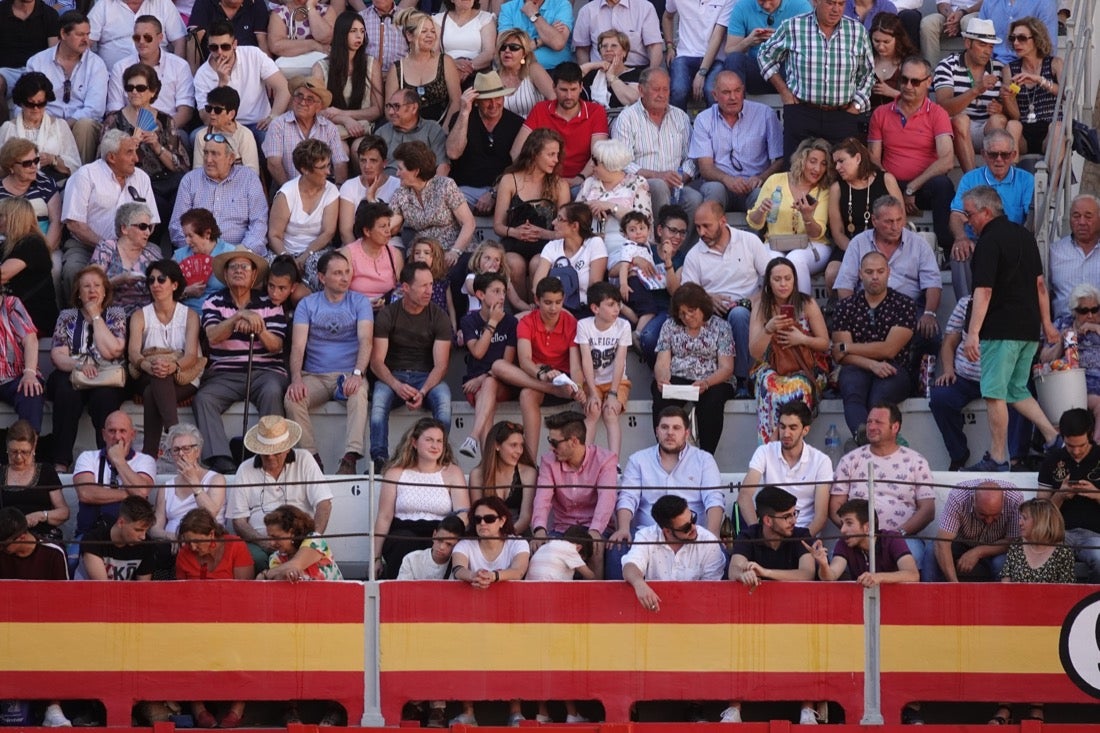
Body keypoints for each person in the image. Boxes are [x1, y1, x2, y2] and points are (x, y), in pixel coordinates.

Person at [962, 185, 1060, 471]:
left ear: (986, 212)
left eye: (970, 215)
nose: (967, 221)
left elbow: (984, 291)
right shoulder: (1025, 237)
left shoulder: (989, 242)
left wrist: (973, 333)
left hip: (1000, 329)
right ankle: (1053, 438)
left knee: (994, 392)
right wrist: (1046, 324)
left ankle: (997, 457)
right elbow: (1040, 285)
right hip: (1028, 330)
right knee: (1016, 389)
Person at [193, 247, 289, 474]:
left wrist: (259, 327)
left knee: (273, 391)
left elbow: (276, 345)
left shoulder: (270, 302)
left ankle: (270, 453)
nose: (239, 271)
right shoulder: (213, 301)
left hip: (265, 372)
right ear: (225, 275)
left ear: (254, 275)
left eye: (245, 267)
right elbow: (213, 336)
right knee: (204, 398)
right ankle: (221, 458)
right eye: (233, 267)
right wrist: (239, 316)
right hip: (224, 374)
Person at [727, 484, 816, 724]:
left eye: (794, 514)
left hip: (797, 618)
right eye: (787, 516)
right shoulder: (748, 535)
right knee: (737, 641)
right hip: (756, 616)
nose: (793, 520)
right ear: (767, 520)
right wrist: (741, 575)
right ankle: (733, 706)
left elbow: (807, 574)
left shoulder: (801, 534)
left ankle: (808, 707)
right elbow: (734, 568)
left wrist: (764, 572)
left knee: (808, 643)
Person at [609, 405, 724, 581]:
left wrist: (713, 533)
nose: (670, 433)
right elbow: (627, 498)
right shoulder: (638, 460)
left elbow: (714, 499)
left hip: (691, 533)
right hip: (647, 536)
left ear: (686, 433)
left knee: (722, 552)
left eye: (676, 428)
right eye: (664, 427)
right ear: (657, 431)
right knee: (617, 550)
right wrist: (623, 528)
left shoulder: (704, 459)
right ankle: (618, 608)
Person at [284, 250, 374, 475]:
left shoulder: (359, 302)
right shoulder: (307, 305)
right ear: (322, 278)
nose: (345, 278)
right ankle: (312, 459)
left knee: (359, 394)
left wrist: (357, 373)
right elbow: (298, 346)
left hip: (348, 374)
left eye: (347, 272)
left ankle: (350, 457)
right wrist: (296, 379)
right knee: (292, 399)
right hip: (315, 375)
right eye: (337, 273)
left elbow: (366, 341)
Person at [830, 403, 936, 577]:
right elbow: (835, 505)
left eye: (878, 422)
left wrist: (898, 534)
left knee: (914, 555)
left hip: (901, 538)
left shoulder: (915, 461)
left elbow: (928, 510)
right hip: (858, 537)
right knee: (833, 561)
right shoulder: (850, 460)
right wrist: (853, 530)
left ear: (895, 427)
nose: (871, 427)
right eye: (869, 421)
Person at [757, 0, 874, 159]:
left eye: (841, 4)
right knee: (795, 173)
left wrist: (856, 105)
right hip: (802, 112)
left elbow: (868, 73)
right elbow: (764, 55)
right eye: (830, 3)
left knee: (841, 177)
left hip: (842, 115)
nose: (836, 9)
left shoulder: (857, 31)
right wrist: (784, 92)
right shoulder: (793, 27)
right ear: (816, 2)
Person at [681, 199, 774, 397]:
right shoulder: (694, 254)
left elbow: (770, 277)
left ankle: (743, 380)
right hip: (710, 313)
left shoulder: (749, 241)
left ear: (722, 221)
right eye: (697, 227)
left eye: (707, 226)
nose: (701, 233)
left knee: (739, 315)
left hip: (749, 307)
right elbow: (687, 294)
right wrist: (706, 298)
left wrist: (755, 299)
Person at [929, 296, 1033, 470]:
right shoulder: (966, 303)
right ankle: (958, 454)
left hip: (1002, 379)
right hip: (965, 378)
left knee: (1021, 394)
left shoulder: (1016, 305)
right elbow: (949, 342)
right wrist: (948, 370)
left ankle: (1017, 459)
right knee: (940, 397)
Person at [369, 261, 454, 472]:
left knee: (444, 401)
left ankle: (440, 456)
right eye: (423, 286)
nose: (430, 291)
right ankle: (379, 459)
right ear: (405, 288)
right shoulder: (388, 314)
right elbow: (376, 362)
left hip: (427, 377)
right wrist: (397, 386)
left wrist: (423, 391)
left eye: (431, 285)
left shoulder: (439, 316)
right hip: (393, 376)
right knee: (379, 401)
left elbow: (441, 366)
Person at [868, 55, 955, 259]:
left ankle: (947, 249)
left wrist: (911, 188)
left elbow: (947, 160)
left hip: (923, 186)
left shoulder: (937, 113)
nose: (908, 86)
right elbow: (873, 160)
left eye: (915, 81)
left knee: (943, 185)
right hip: (890, 184)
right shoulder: (881, 113)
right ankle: (875, 250)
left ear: (928, 82)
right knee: (871, 183)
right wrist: (896, 190)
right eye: (904, 80)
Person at [489, 276, 584, 458]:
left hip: (561, 381)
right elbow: (525, 361)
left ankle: (529, 458)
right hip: (536, 376)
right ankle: (531, 459)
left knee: (526, 392)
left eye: (558, 302)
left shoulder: (570, 323)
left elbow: (576, 366)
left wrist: (577, 387)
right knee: (499, 366)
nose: (553, 308)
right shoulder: (527, 321)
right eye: (548, 302)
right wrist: (542, 375)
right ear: (537, 300)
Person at [46, 268, 129, 473]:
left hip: (107, 374)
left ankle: (109, 459)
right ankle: (61, 462)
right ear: (78, 293)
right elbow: (58, 355)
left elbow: (113, 351)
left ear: (105, 291)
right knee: (66, 392)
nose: (92, 290)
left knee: (104, 397)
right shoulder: (67, 316)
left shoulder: (116, 314)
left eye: (97, 285)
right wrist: (80, 366)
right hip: (72, 371)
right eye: (86, 286)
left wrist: (96, 317)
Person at [59, 130, 156, 304]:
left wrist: (130, 244)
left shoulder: (141, 178)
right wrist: (110, 247)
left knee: (158, 270)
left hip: (134, 247)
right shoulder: (85, 175)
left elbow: (152, 221)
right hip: (86, 246)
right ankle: (76, 323)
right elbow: (74, 224)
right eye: (130, 152)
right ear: (112, 157)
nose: (137, 158)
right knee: (73, 271)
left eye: (136, 152)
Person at [228, 415, 333, 570]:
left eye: (276, 452)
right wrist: (264, 542)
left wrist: (313, 540)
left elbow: (324, 504)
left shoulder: (304, 459)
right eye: (265, 453)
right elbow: (239, 521)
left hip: (298, 539)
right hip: (260, 542)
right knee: (251, 557)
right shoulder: (245, 468)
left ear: (287, 448)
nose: (270, 457)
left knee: (307, 556)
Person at [831, 251, 917, 438]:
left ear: (888, 272)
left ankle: (874, 440)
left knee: (879, 398)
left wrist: (849, 347)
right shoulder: (846, 306)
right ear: (860, 274)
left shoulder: (904, 305)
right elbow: (839, 356)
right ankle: (863, 438)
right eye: (869, 272)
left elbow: (889, 349)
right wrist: (871, 364)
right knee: (852, 391)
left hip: (895, 367)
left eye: (880, 271)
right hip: (856, 366)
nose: (875, 277)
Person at [373, 417, 469, 578]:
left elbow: (464, 515)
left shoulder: (453, 472)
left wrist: (447, 536)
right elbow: (384, 516)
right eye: (429, 440)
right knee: (405, 541)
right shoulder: (395, 473)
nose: (435, 446)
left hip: (439, 533)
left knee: (443, 545)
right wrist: (375, 558)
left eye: (439, 441)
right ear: (414, 443)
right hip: (402, 534)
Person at [127, 259, 203, 457]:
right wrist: (148, 365)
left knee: (154, 391)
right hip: (146, 372)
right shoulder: (140, 315)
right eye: (151, 281)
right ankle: (177, 435)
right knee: (158, 376)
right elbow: (133, 352)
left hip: (183, 374)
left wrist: (172, 366)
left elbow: (192, 355)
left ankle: (149, 455)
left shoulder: (190, 315)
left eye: (161, 279)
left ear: (175, 284)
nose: (155, 285)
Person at [947, 129, 1034, 300]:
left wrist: (1020, 241)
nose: (999, 159)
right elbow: (956, 215)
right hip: (977, 241)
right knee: (959, 253)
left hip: (1012, 240)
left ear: (1014, 154)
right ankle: (966, 309)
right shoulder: (970, 179)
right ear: (983, 154)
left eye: (1005, 154)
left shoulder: (1026, 179)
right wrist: (961, 238)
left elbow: (1031, 217)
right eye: (993, 154)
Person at [747, 258, 828, 442]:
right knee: (770, 386)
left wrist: (802, 339)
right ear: (768, 282)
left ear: (794, 280)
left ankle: (793, 444)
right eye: (777, 279)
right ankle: (770, 448)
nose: (783, 284)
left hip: (805, 366)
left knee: (796, 387)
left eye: (787, 278)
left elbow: (824, 343)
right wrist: (768, 329)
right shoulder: (761, 306)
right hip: (770, 365)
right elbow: (754, 352)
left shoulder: (807, 303)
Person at [101, 62, 189, 230]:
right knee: (157, 204)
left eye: (140, 88)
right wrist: (126, 148)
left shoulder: (165, 120)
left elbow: (180, 165)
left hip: (163, 178)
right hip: (131, 179)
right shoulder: (114, 121)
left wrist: (157, 146)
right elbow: (103, 158)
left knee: (181, 191)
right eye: (130, 87)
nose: (134, 92)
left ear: (152, 92)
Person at [531, 410, 618, 578]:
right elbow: (542, 499)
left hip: (594, 527)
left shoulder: (605, 459)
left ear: (574, 441)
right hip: (562, 528)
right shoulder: (548, 461)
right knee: (542, 551)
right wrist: (540, 529)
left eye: (554, 442)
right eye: (550, 441)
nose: (550, 447)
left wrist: (595, 530)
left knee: (595, 548)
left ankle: (595, 598)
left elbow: (607, 499)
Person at [650, 282, 735, 453]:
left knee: (712, 401)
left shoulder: (720, 327)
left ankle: (706, 455)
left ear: (702, 307)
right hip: (679, 376)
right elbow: (662, 361)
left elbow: (726, 367)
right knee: (660, 395)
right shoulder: (670, 326)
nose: (687, 317)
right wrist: (662, 378)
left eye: (691, 311)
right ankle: (667, 449)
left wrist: (706, 382)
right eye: (682, 313)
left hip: (712, 379)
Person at [611, 68, 702, 226]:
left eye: (665, 89)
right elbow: (622, 163)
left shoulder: (680, 117)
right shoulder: (627, 118)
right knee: (659, 186)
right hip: (641, 185)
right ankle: (660, 244)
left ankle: (678, 248)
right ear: (641, 90)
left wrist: (682, 177)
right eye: (656, 89)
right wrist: (657, 175)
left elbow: (691, 158)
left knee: (695, 199)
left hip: (677, 184)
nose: (661, 95)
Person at [746, 137, 832, 295]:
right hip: (775, 242)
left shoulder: (824, 190)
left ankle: (803, 314)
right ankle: (770, 312)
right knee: (771, 262)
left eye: (823, 163)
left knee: (795, 259)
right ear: (801, 160)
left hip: (813, 246)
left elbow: (817, 233)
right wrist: (761, 211)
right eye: (812, 161)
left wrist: (807, 216)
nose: (817, 168)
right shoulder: (775, 180)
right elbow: (754, 223)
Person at [933, 18, 1020, 173]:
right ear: (968, 43)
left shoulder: (1000, 69)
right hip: (956, 132)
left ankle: (994, 177)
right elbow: (943, 108)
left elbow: (1014, 115)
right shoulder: (947, 66)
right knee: (960, 120)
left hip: (986, 131)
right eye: (982, 44)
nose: (987, 51)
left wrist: (1002, 108)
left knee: (999, 119)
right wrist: (976, 90)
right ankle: (973, 179)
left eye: (991, 46)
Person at [493, 127, 570, 301]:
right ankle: (521, 310)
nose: (555, 160)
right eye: (550, 154)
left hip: (547, 243)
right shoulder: (510, 179)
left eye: (557, 155)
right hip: (514, 241)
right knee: (514, 263)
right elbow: (498, 225)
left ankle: (537, 308)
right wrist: (515, 232)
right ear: (534, 153)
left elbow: (564, 230)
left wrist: (542, 233)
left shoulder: (560, 185)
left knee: (538, 263)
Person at [689, 70, 783, 213]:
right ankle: (713, 235)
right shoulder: (704, 119)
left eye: (737, 91)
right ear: (715, 95)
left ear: (743, 90)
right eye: (726, 92)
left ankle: (756, 236)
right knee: (714, 189)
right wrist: (727, 179)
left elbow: (780, 159)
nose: (733, 97)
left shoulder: (764, 114)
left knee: (762, 195)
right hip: (721, 184)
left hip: (753, 186)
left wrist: (761, 178)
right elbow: (705, 168)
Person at [511, 61, 610, 190]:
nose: (569, 96)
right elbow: (516, 151)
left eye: (573, 89)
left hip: (581, 182)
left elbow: (597, 155)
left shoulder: (596, 112)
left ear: (581, 87)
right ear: (553, 87)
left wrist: (580, 178)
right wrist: (536, 177)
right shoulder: (541, 109)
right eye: (563, 90)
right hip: (543, 181)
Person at [24, 11, 108, 164]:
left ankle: (81, 177)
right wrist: (50, 123)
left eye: (88, 34)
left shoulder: (96, 64)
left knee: (86, 125)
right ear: (63, 33)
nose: (86, 40)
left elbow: (95, 108)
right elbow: (28, 100)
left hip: (79, 124)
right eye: (80, 34)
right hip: (45, 121)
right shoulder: (37, 62)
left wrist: (65, 124)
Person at [739, 400, 831, 535]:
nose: (786, 433)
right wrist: (758, 535)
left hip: (803, 535)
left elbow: (821, 517)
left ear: (805, 430)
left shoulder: (821, 461)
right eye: (782, 427)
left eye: (793, 428)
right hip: (770, 534)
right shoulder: (764, 452)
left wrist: (800, 543)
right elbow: (744, 497)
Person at [193, 20, 291, 146]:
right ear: (208, 47)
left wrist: (273, 117)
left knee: (272, 135)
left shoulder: (253, 55)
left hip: (258, 124)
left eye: (225, 47)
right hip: (224, 128)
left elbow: (284, 87)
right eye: (214, 47)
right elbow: (207, 120)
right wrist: (222, 84)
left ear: (234, 44)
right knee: (196, 137)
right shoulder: (202, 74)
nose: (220, 52)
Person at [825, 137, 904, 293]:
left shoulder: (886, 179)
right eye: (835, 163)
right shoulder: (837, 188)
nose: (838, 167)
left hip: (884, 243)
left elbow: (900, 219)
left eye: (841, 161)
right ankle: (840, 311)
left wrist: (877, 252)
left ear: (858, 158)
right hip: (849, 244)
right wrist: (857, 252)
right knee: (832, 273)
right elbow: (838, 232)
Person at [622, 494, 726, 610]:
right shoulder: (646, 536)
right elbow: (630, 565)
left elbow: (711, 590)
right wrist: (639, 584)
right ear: (667, 531)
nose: (693, 528)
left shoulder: (708, 542)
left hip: (696, 609)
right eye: (685, 528)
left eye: (693, 520)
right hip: (654, 609)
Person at [456, 273, 519, 460]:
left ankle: (473, 438)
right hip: (475, 385)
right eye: (496, 291)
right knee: (487, 401)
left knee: (489, 383)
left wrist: (482, 378)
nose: (501, 297)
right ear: (480, 295)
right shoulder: (469, 321)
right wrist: (492, 322)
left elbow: (506, 363)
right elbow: (477, 352)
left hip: (502, 382)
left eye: (503, 292)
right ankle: (488, 465)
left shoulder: (510, 322)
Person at [445, 71, 524, 213]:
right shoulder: (461, 118)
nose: (493, 104)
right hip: (465, 190)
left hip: (503, 189)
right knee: (447, 201)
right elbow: (453, 153)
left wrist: (494, 193)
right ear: (476, 101)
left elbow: (521, 166)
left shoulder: (517, 123)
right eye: (487, 99)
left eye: (498, 98)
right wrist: (464, 113)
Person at [267, 138, 341, 289]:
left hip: (316, 250)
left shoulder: (331, 190)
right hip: (284, 251)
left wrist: (305, 256)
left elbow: (328, 232)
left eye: (328, 165)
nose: (328, 172)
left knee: (322, 272)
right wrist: (287, 259)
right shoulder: (286, 194)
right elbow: (274, 235)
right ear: (305, 170)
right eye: (322, 167)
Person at [1037, 408, 1100, 583]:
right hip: (1059, 534)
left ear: (1091, 435)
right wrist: (1060, 495)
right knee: (1043, 559)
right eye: (1071, 446)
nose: (1077, 451)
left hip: (1095, 535)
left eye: (1082, 445)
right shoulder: (1052, 459)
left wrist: (1096, 494)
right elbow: (1039, 513)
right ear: (1062, 436)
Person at [389, 141, 476, 267]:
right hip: (422, 254)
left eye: (400, 169)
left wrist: (455, 252)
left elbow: (469, 223)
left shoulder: (445, 185)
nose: (396, 173)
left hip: (454, 250)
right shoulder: (401, 194)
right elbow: (390, 225)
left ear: (416, 171)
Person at [106, 16, 195, 131]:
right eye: (137, 37)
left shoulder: (180, 66)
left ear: (160, 38)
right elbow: (114, 109)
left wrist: (160, 130)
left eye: (147, 37)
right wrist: (134, 133)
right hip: (127, 130)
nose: (141, 42)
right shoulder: (120, 67)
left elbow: (185, 112)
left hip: (168, 129)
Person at [312, 10, 384, 154]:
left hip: (363, 127)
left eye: (362, 31)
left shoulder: (371, 64)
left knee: (361, 149)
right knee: (341, 150)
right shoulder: (321, 67)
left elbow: (377, 110)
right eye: (353, 31)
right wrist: (345, 120)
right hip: (332, 127)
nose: (359, 36)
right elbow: (316, 109)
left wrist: (345, 114)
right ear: (341, 34)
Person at [574, 282, 631, 457]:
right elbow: (586, 360)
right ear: (595, 308)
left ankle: (615, 462)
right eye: (610, 304)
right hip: (593, 382)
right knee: (593, 411)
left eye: (618, 304)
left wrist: (613, 394)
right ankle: (583, 460)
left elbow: (620, 361)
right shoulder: (584, 325)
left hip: (617, 381)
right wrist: (591, 391)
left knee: (610, 412)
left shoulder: (623, 325)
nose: (616, 309)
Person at [806, 497, 920, 584]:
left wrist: (878, 577)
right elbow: (831, 576)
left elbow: (913, 575)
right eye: (842, 524)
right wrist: (824, 565)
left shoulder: (892, 539)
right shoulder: (844, 542)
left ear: (867, 527)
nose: (842, 530)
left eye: (849, 523)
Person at [575, 138, 650, 265]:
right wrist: (591, 206)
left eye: (595, 162)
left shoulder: (637, 183)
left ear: (609, 165)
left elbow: (643, 220)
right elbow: (573, 212)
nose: (591, 165)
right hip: (589, 242)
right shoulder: (589, 183)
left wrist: (610, 207)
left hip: (625, 244)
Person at [264, 77, 348, 189]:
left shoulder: (329, 128)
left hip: (321, 190)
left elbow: (340, 163)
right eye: (299, 96)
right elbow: (274, 164)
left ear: (319, 107)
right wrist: (292, 193)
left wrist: (338, 189)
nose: (303, 102)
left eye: (310, 99)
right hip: (286, 188)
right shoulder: (278, 125)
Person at [717, 0, 813, 96]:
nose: (767, 5)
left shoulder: (801, 6)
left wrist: (782, 39)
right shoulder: (742, 6)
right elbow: (729, 51)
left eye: (772, 0)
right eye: (761, 0)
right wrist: (748, 41)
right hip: (757, 71)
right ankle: (736, 105)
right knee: (734, 59)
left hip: (787, 71)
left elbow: (811, 48)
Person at [933, 479, 1022, 582]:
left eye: (995, 515)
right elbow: (943, 542)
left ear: (1003, 502)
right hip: (962, 543)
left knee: (1002, 563)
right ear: (973, 500)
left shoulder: (1015, 498)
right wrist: (955, 585)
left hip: (997, 548)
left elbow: (1012, 541)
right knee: (932, 551)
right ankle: (928, 595)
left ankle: (1000, 597)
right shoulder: (958, 496)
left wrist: (978, 552)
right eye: (982, 514)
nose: (989, 521)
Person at [1042, 284, 1100, 441]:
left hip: (1096, 384)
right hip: (1068, 383)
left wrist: (1096, 328)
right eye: (1083, 311)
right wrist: (1061, 341)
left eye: (1094, 310)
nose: (1090, 315)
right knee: (1059, 405)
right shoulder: (1062, 324)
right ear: (1074, 311)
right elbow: (1044, 358)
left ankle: (1095, 452)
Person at [530, 202, 609, 316]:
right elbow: (537, 286)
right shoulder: (552, 246)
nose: (553, 222)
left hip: (584, 310)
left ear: (574, 226)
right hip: (553, 311)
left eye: (559, 219)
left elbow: (594, 288)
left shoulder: (594, 243)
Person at [0, 71, 80, 182]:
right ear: (21, 103)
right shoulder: (8, 128)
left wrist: (53, 160)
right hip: (17, 188)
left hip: (54, 186)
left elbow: (75, 166)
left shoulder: (59, 126)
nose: (36, 108)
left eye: (40, 103)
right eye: (30, 104)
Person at [386, 9, 461, 126]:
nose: (430, 35)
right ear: (409, 35)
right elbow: (389, 109)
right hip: (406, 131)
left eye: (432, 31)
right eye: (424, 31)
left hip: (441, 128)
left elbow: (456, 101)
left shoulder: (446, 61)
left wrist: (443, 131)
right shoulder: (396, 68)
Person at [153, 424, 227, 543]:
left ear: (197, 452)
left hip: (205, 541)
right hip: (172, 543)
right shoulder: (166, 488)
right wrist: (172, 537)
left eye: (186, 448)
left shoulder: (215, 479)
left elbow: (211, 513)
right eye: (176, 450)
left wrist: (193, 482)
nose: (181, 454)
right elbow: (155, 529)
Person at [1002, 16, 1062, 156]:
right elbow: (1015, 115)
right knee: (1012, 125)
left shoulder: (1054, 63)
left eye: (1022, 38)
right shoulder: (1009, 69)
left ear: (1036, 39)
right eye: (1013, 38)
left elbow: (1066, 94)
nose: (1016, 43)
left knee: (1058, 127)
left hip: (1050, 129)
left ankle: (1054, 178)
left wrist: (1039, 80)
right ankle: (1012, 177)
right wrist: (1008, 99)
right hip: (1024, 130)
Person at [0, 138, 62, 273]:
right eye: (27, 163)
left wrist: (42, 252)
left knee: (55, 269)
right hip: (4, 247)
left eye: (36, 161)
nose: (34, 166)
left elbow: (56, 222)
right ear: (11, 167)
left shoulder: (45, 183)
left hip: (43, 245)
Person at [0, 420, 68, 542]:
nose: (19, 457)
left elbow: (64, 512)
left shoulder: (46, 471)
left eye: (24, 452)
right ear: (7, 448)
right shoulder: (1, 472)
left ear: (33, 448)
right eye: (13, 452)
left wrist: (41, 515)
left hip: (41, 535)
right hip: (8, 537)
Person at [90, 202, 160, 318]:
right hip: (111, 315)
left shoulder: (153, 254)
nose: (147, 232)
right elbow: (91, 286)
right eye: (142, 226)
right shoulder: (107, 248)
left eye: (150, 227)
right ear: (124, 228)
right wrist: (118, 281)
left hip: (145, 318)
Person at [0, 193, 57, 335]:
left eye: (1, 215)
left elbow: (3, 274)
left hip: (33, 318)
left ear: (14, 218)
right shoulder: (7, 245)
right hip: (14, 315)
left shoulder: (33, 243)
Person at [468, 420, 536, 534]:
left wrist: (504, 538)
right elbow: (477, 515)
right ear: (497, 445)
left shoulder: (529, 472)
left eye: (521, 446)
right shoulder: (477, 474)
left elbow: (525, 517)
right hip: (486, 532)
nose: (519, 451)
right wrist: (493, 538)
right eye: (513, 445)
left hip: (517, 533)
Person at [660, 0, 730, 109]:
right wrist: (669, 46)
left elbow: (718, 36)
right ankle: (677, 125)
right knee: (679, 90)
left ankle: (714, 125)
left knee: (713, 92)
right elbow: (667, 17)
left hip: (716, 58)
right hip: (685, 54)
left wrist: (702, 72)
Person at [0, 0, 58, 126]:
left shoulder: (49, 14)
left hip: (38, 69)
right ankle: (4, 131)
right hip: (6, 70)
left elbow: (53, 53)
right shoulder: (2, 11)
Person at [452, 496, 530, 587]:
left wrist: (492, 576)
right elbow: (458, 569)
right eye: (478, 519)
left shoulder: (518, 543)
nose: (482, 523)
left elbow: (519, 571)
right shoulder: (464, 544)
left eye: (489, 519)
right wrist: (473, 576)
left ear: (502, 521)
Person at [87, 0, 186, 72]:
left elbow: (180, 41)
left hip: (159, 76)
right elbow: (85, 41)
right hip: (112, 77)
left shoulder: (163, 3)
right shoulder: (104, 5)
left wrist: (175, 72)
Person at [74, 494, 156, 580]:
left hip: (128, 592)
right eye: (138, 530)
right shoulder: (94, 541)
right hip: (91, 592)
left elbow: (143, 589)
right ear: (121, 522)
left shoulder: (146, 544)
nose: (143, 537)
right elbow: (103, 589)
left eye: (146, 531)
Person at [341, 200, 404, 311]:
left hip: (387, 312)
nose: (388, 231)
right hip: (354, 310)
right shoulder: (348, 254)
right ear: (367, 231)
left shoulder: (395, 254)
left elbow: (401, 289)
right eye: (382, 226)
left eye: (388, 225)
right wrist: (365, 305)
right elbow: (339, 291)